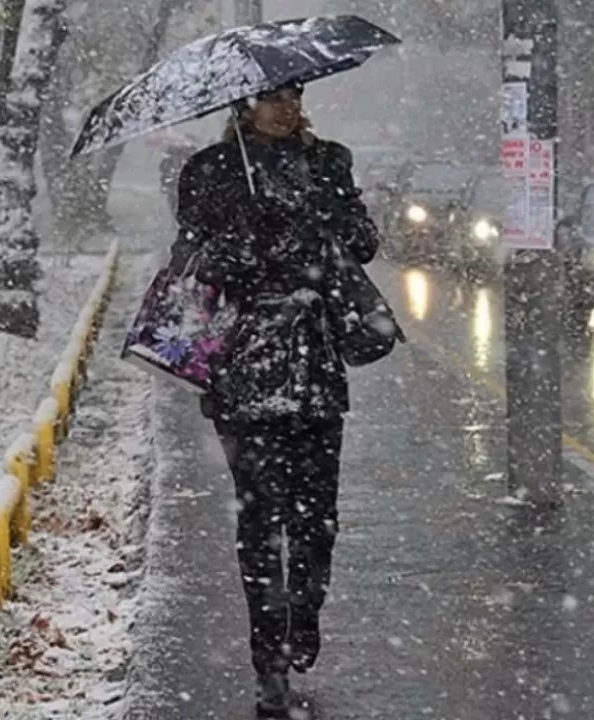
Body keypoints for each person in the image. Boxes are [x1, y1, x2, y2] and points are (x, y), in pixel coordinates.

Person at [170, 82, 379, 718]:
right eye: (271, 98)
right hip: (244, 367)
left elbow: (364, 242)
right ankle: (269, 658)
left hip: (314, 363)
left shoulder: (328, 161)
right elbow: (191, 260)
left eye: (294, 94)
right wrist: (249, 243)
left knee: (317, 518)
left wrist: (329, 225)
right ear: (243, 107)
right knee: (260, 523)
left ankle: (304, 613)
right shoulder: (209, 171)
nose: (285, 107)